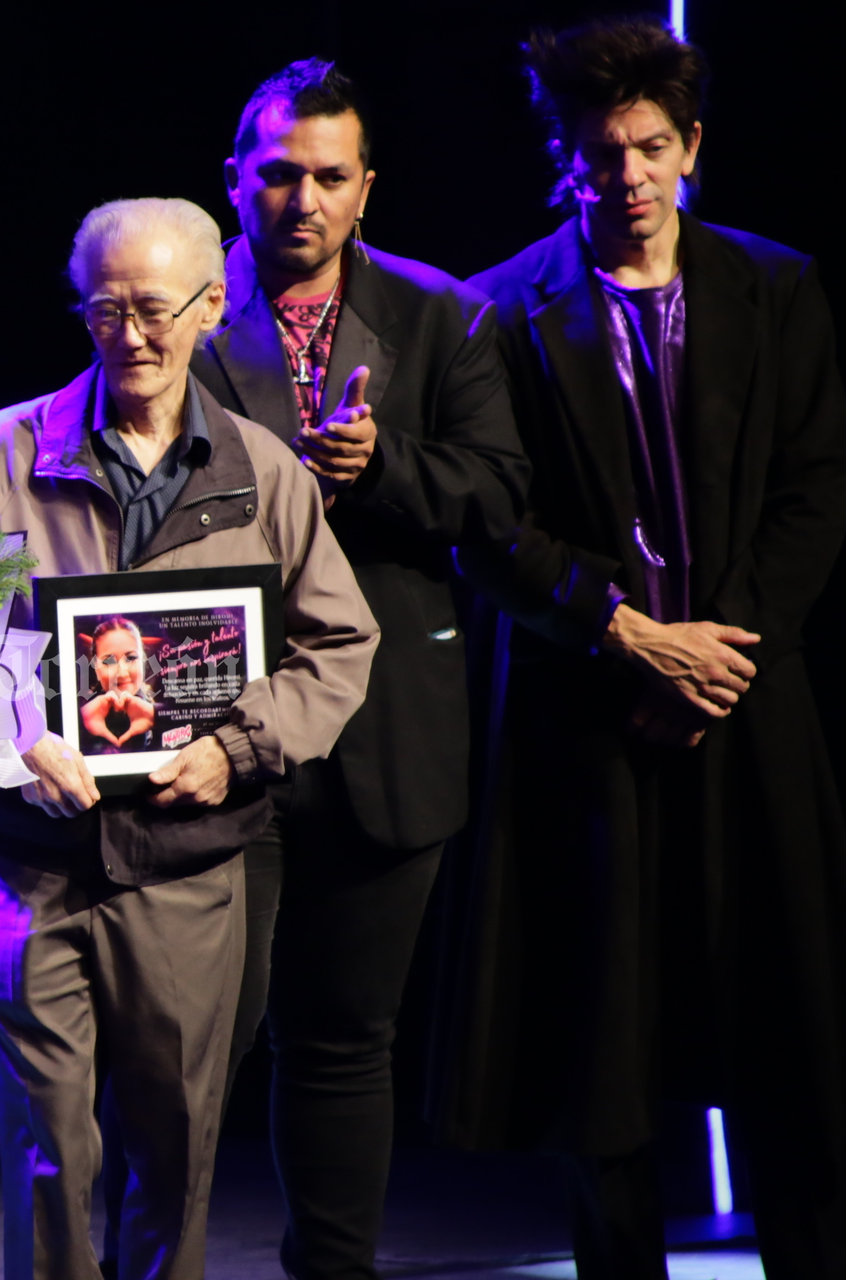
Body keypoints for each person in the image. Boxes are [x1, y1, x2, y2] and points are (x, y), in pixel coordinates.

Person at [437, 18, 846, 1279]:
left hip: (747, 709)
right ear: (566, 158)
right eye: (603, 153)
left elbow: (813, 493)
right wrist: (629, 639)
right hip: (587, 714)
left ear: (693, 147)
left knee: (788, 1029)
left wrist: (721, 660)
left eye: (652, 149)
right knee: (601, 1044)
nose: (629, 177)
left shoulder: (776, 286)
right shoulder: (497, 310)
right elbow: (490, 524)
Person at [0, 197, 380, 1280]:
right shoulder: (9, 449)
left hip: (188, 864)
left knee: (174, 1145)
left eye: (155, 309)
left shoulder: (262, 469)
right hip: (36, 859)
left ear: (210, 305)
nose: (132, 335)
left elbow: (340, 644)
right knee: (46, 1151)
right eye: (107, 311)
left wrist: (237, 748)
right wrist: (13, 732)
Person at [161, 59, 530, 1280]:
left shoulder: (443, 314)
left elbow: (500, 495)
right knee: (194, 1040)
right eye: (279, 174)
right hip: (218, 718)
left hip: (387, 727)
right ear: (234, 180)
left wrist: (387, 466)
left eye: (329, 177)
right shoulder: (178, 306)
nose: (303, 200)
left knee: (344, 1036)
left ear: (367, 187)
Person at [79, 616, 158, 752]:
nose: (121, 673)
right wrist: (81, 722)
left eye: (131, 658)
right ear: (96, 667)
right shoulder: (78, 713)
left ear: (143, 660)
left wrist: (157, 716)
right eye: (109, 661)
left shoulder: (162, 708)